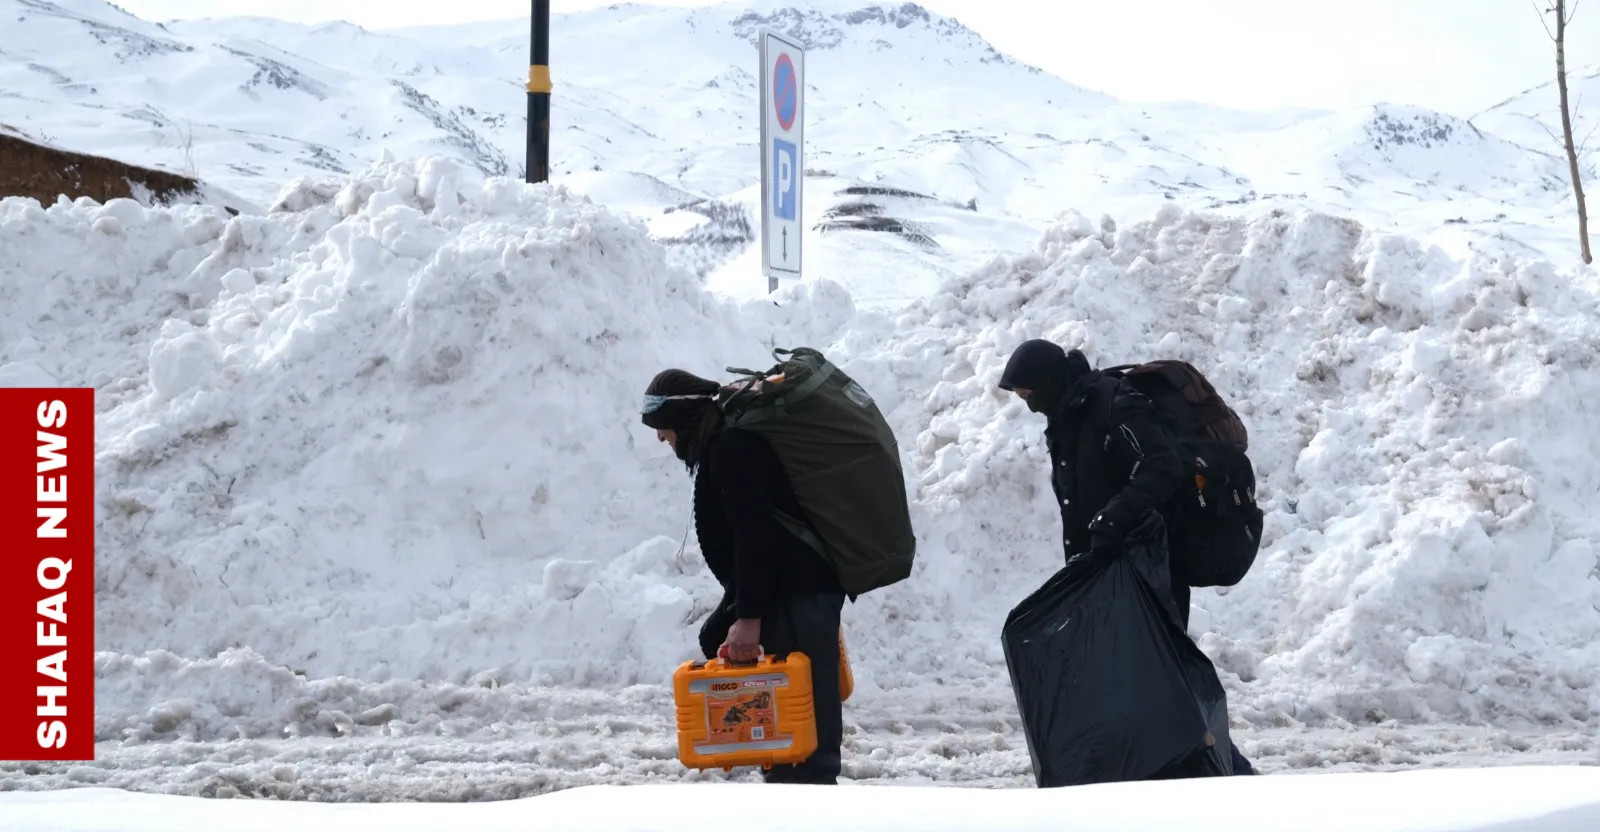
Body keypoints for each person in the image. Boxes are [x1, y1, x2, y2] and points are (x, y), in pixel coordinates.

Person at [998, 338, 1258, 776]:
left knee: (1163, 680)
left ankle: (1226, 772)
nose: (1028, 404)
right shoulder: (1067, 414)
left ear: (1050, 381)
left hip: (1150, 564)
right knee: (1129, 680)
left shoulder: (1114, 406)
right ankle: (1150, 778)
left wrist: (1114, 518)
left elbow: (1163, 466)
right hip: (1110, 567)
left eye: (1028, 394)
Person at [640, 368, 847, 785]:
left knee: (804, 717)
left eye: (661, 426)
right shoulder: (723, 444)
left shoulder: (731, 449)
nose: (661, 438)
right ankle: (794, 786)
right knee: (792, 706)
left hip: (795, 591)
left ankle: (812, 805)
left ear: (681, 418)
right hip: (792, 588)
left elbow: (756, 535)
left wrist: (748, 616)